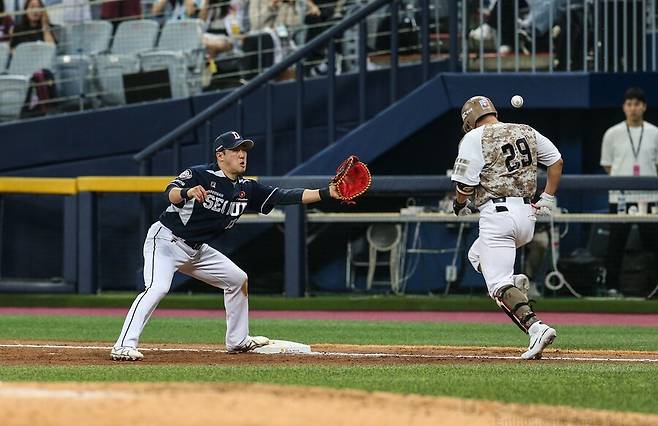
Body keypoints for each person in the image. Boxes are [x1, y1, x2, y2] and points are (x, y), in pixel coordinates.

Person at [111, 130, 340, 361]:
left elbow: (285, 195)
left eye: (245, 150)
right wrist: (187, 191)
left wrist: (328, 192)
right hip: (166, 241)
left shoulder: (246, 188)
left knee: (237, 279)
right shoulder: (199, 174)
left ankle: (238, 341)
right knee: (157, 288)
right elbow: (169, 194)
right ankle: (123, 345)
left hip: (196, 249)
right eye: (236, 150)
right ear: (220, 155)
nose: (242, 155)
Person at [451, 95, 563, 360]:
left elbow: (465, 186)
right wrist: (546, 198)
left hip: (497, 216)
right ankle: (515, 283)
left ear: (468, 120)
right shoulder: (527, 130)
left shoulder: (473, 137)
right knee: (475, 255)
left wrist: (459, 204)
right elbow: (556, 161)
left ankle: (535, 327)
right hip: (527, 217)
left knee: (496, 285)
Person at [600, 87, 658, 293]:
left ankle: (654, 287)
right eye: (629, 104)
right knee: (616, 241)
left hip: (649, 196)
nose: (633, 108)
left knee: (653, 243)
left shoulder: (654, 133)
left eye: (637, 104)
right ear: (624, 107)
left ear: (644, 107)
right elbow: (607, 165)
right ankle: (611, 287)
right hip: (621, 196)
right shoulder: (612, 133)